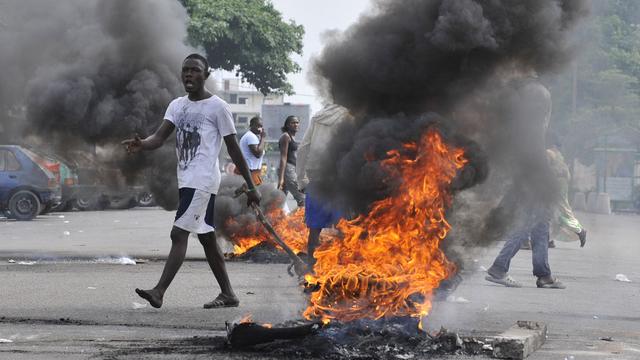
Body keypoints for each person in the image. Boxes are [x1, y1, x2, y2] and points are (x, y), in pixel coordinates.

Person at [122, 53, 261, 309]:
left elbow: (233, 148)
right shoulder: (177, 105)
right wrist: (142, 144)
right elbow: (159, 137)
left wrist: (252, 186)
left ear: (205, 75)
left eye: (195, 70)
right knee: (207, 238)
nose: (188, 74)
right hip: (186, 179)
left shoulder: (218, 107)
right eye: (185, 70)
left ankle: (159, 291)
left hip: (203, 180)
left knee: (179, 233)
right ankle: (228, 294)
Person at [485, 74, 565, 289]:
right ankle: (499, 268)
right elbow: (534, 137)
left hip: (522, 166)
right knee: (528, 221)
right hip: (531, 169)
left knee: (541, 220)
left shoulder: (520, 94)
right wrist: (541, 171)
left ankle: (543, 274)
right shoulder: (539, 93)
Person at [297, 104, 352, 266]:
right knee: (343, 228)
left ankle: (311, 269)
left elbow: (302, 149)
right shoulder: (349, 117)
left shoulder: (317, 117)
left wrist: (301, 179)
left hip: (317, 180)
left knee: (314, 229)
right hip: (340, 181)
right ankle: (343, 269)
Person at [546, 134, 587, 247]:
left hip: (555, 186)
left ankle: (579, 230)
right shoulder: (559, 155)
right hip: (562, 185)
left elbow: (546, 169)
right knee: (555, 214)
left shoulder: (549, 153)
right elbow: (566, 174)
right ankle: (549, 239)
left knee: (561, 213)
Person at [277, 115, 305, 207]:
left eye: (297, 122)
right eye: (293, 123)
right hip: (287, 169)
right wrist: (281, 179)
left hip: (291, 169)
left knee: (280, 199)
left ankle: (275, 219)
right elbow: (283, 157)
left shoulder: (292, 137)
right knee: (302, 198)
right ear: (287, 125)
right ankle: (303, 220)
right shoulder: (286, 136)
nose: (296, 124)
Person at [238, 116, 266, 186]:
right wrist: (263, 138)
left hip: (253, 172)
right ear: (251, 126)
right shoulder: (251, 136)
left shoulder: (253, 136)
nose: (259, 129)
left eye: (261, 126)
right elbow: (257, 154)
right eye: (257, 126)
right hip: (251, 171)